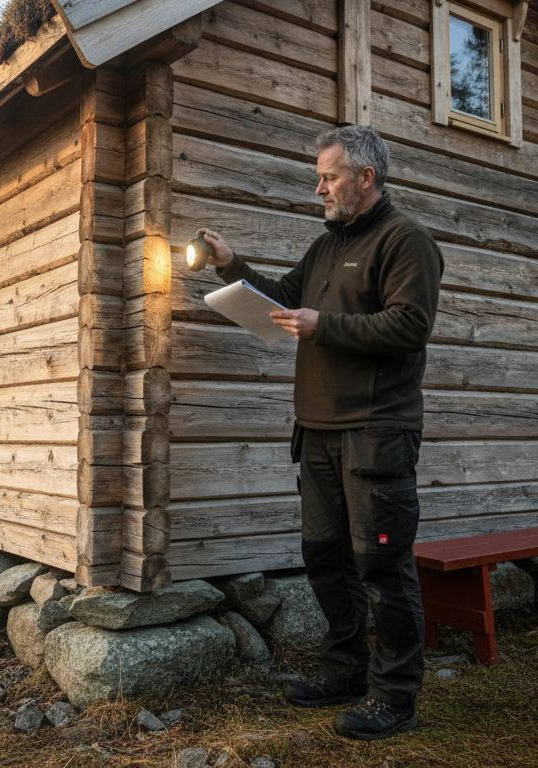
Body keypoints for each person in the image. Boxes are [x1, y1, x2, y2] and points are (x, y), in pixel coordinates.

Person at [194, 125, 443, 741]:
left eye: (329, 177)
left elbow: (410, 324)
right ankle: (345, 671)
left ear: (366, 177)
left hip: (376, 430)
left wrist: (324, 325)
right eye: (319, 176)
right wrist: (233, 266)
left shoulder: (405, 239)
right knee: (324, 558)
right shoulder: (326, 245)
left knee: (382, 566)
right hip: (319, 429)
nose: (319, 187)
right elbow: (284, 300)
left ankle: (395, 697)